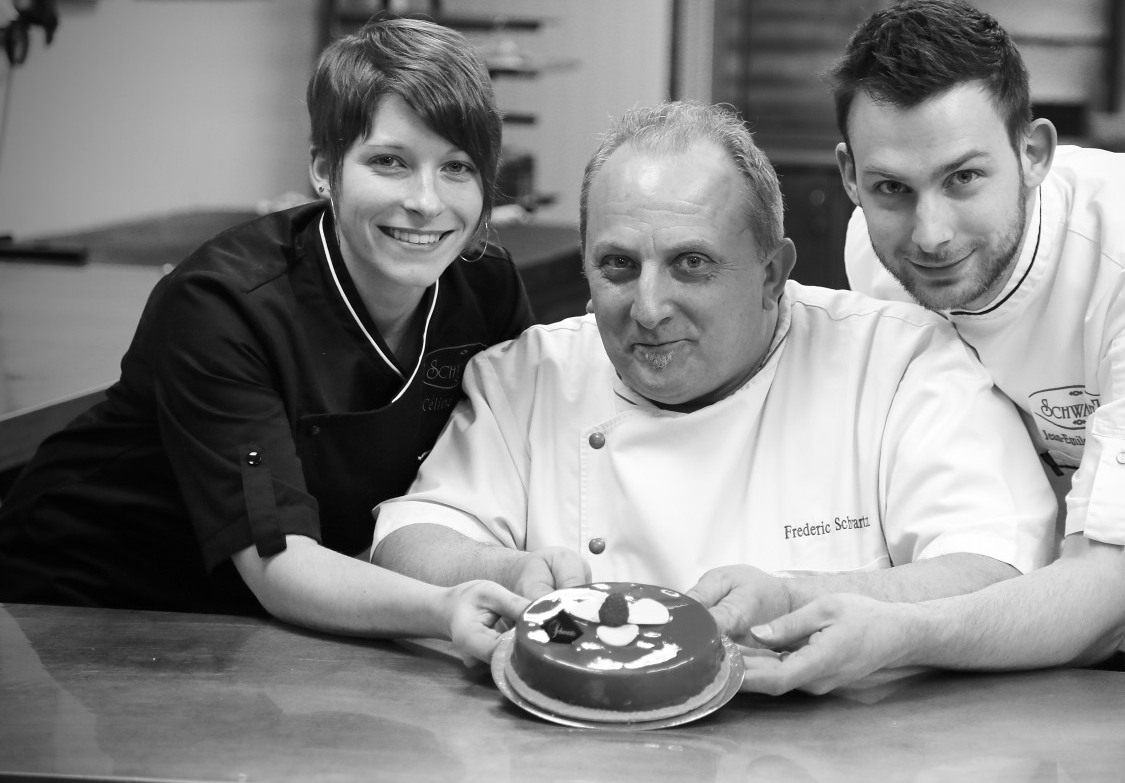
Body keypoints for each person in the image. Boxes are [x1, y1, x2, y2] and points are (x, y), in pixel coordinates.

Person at [739, 0, 1125, 693]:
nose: (930, 234)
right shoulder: (878, 258)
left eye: (964, 178)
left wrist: (901, 632)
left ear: (1033, 153)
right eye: (892, 188)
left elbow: (1102, 594)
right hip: (1090, 597)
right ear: (851, 176)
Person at [370, 100, 1058, 633]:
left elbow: (994, 569)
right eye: (617, 266)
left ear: (772, 274)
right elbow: (409, 540)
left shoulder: (900, 364)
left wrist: (797, 599)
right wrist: (501, 571)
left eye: (690, 265)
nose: (647, 308)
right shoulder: (527, 378)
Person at [0, 17, 534, 662]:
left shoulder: (484, 287)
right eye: (389, 162)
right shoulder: (224, 307)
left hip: (292, 603)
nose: (427, 202)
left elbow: (520, 460)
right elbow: (279, 560)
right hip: (90, 595)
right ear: (323, 170)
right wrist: (442, 607)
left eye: (457, 167)